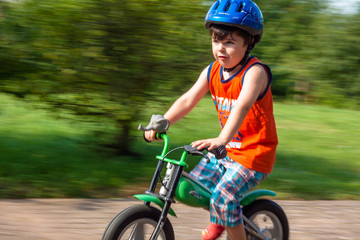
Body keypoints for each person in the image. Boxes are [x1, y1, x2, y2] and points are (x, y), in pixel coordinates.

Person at [144, 0, 278, 239]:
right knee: (191, 188)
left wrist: (222, 138)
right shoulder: (212, 70)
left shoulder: (255, 73)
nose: (221, 49)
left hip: (253, 155)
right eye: (216, 41)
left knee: (223, 197)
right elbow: (188, 100)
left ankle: (226, 215)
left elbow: (243, 105)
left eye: (229, 42)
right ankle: (223, 216)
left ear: (249, 43)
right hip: (226, 152)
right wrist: (163, 121)